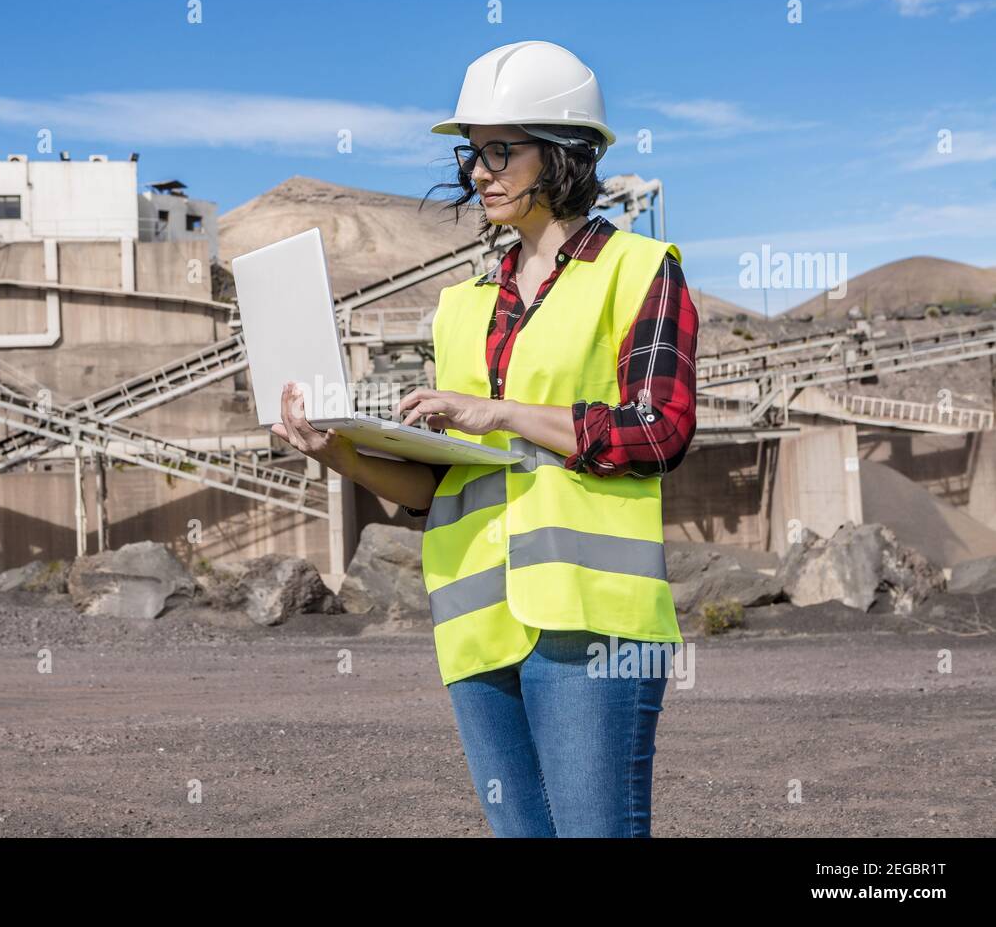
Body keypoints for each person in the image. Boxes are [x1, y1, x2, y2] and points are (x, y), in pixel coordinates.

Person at [272, 41, 697, 837]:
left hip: (592, 621)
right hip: (476, 621)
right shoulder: (460, 307)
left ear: (566, 151)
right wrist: (342, 453)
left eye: (503, 150)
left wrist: (497, 414)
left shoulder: (639, 271)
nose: (479, 171)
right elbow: (442, 489)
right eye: (475, 152)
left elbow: (660, 430)